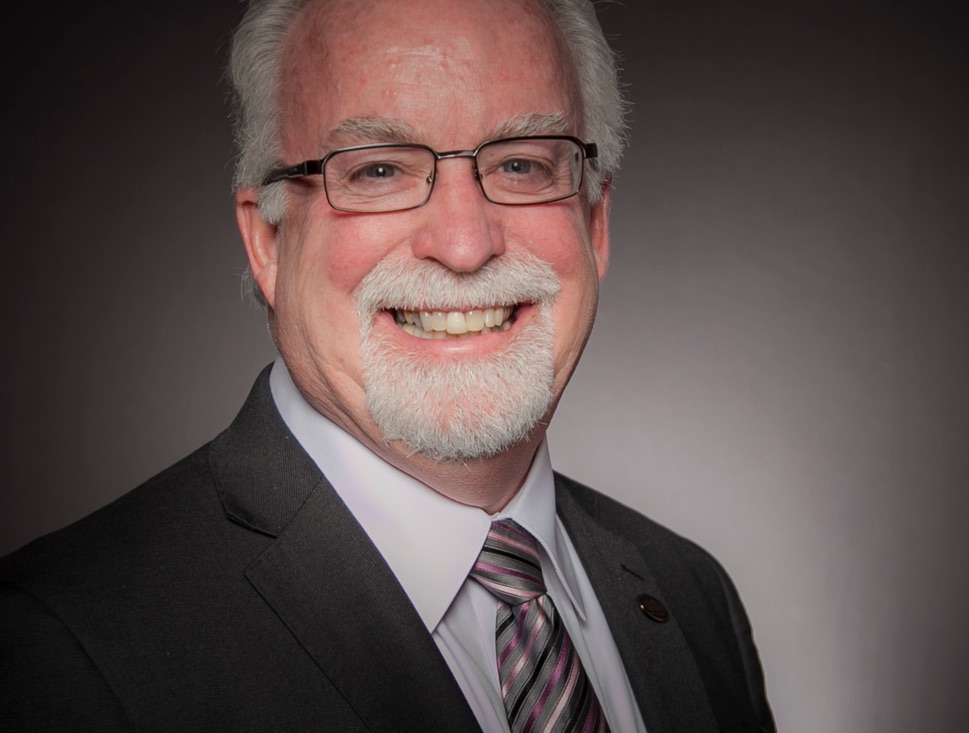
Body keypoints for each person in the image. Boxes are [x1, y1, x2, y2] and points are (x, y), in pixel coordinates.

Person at [0, 0, 774, 730]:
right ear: (267, 242)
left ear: (595, 223)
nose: (466, 244)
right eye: (377, 170)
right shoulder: (61, 647)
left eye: (522, 165)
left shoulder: (692, 595)